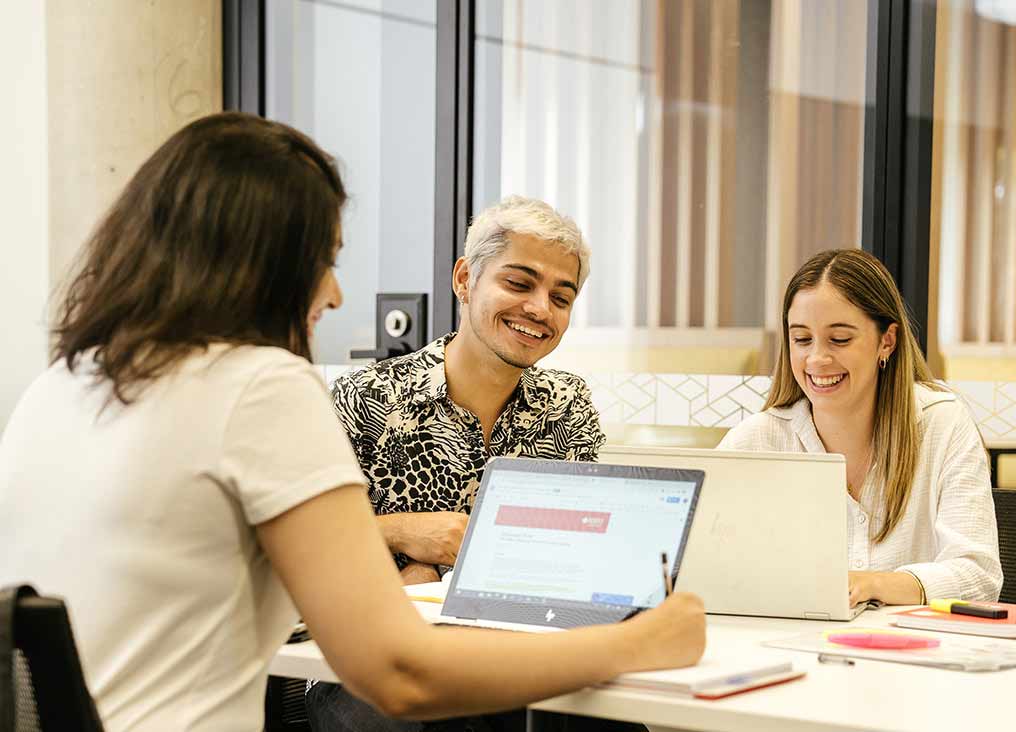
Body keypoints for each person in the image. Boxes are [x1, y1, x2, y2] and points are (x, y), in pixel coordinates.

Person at [0, 112, 704, 732]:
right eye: (323, 261)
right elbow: (398, 674)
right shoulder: (260, 387)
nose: (334, 294)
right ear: (261, 264)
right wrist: (641, 642)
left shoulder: (60, 386)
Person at [308, 197, 612, 730]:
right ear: (466, 279)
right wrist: (402, 531)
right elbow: (310, 546)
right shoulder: (367, 397)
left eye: (560, 297)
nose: (541, 308)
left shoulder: (567, 405)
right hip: (373, 657)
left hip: (518, 654)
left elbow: (575, 560)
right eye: (519, 284)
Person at [719, 249, 1002, 605]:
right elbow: (708, 568)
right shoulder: (756, 441)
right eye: (802, 340)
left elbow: (979, 575)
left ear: (887, 340)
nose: (818, 359)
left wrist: (875, 584)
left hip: (913, 653)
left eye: (839, 340)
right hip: (793, 650)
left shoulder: (941, 424)